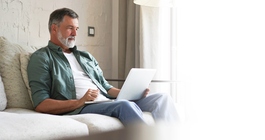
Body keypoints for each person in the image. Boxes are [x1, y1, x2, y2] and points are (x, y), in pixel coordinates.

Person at [27, 8, 178, 126]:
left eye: (77, 29)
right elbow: (41, 104)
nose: (74, 33)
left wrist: (133, 92)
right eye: (69, 28)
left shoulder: (85, 57)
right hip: (81, 107)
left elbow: (104, 87)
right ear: (54, 28)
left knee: (162, 98)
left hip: (105, 101)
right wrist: (80, 102)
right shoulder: (42, 58)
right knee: (123, 105)